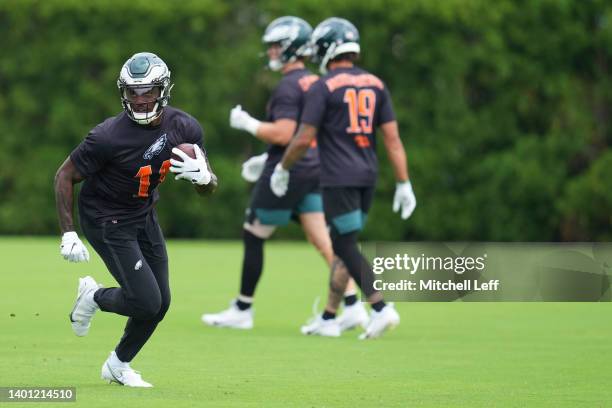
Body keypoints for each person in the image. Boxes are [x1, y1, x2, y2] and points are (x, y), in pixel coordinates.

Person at [54, 52, 216, 387]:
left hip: (143, 214)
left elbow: (209, 188)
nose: (141, 100)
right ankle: (93, 296)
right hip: (106, 219)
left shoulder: (185, 126)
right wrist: (68, 232)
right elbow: (64, 175)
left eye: (148, 91)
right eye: (133, 92)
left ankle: (117, 365)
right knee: (146, 301)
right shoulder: (108, 136)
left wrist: (204, 180)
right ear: (123, 93)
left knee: (161, 302)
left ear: (164, 89)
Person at [202, 16, 366, 335]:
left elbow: (285, 133)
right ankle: (352, 304)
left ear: (292, 48)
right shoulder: (315, 81)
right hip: (316, 166)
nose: (272, 52)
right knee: (322, 238)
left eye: (276, 46)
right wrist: (266, 158)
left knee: (254, 233)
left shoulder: (289, 85)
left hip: (289, 172)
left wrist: (248, 124)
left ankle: (242, 308)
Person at [270, 18, 417, 339]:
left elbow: (304, 136)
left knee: (344, 244)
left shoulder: (323, 86)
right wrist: (403, 182)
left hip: (339, 176)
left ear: (325, 48)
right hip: (368, 175)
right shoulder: (376, 84)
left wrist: (282, 168)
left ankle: (381, 307)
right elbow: (392, 140)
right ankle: (329, 317)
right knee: (343, 246)